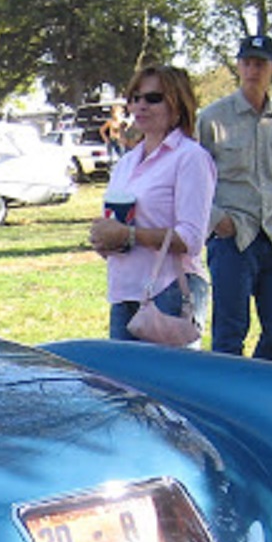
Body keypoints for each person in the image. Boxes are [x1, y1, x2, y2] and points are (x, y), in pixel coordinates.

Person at [88, 65, 216, 344]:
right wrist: (106, 240)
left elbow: (191, 238)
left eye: (153, 98)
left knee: (166, 385)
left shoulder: (190, 158)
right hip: (125, 292)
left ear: (177, 103)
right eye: (134, 97)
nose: (140, 105)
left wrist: (129, 235)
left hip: (168, 290)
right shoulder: (126, 163)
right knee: (122, 385)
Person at [196, 35, 272, 361]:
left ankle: (263, 388)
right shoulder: (213, 118)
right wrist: (216, 220)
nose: (253, 70)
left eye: (261, 63)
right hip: (233, 238)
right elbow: (193, 179)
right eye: (247, 63)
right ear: (239, 66)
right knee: (230, 331)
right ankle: (227, 397)